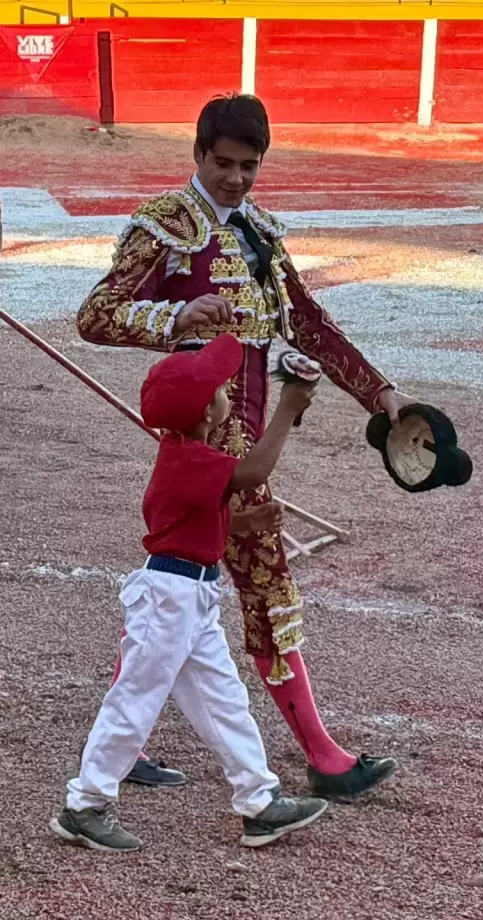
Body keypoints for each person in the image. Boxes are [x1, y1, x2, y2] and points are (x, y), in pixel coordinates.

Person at [76, 92, 409, 799]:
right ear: (198, 154)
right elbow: (95, 316)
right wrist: (174, 314)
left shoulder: (259, 230)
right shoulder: (168, 226)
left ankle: (121, 745)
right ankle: (322, 758)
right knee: (264, 587)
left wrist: (382, 396)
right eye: (222, 163)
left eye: (247, 166)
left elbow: (309, 325)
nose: (234, 178)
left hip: (244, 431)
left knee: (176, 587)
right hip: (208, 440)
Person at [49, 334, 329, 852]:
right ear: (207, 412)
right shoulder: (188, 458)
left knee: (224, 700)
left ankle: (259, 801)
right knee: (134, 701)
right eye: (222, 389)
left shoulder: (187, 453)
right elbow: (254, 472)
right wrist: (288, 408)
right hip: (169, 598)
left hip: (190, 597)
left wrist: (246, 518)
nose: (228, 391)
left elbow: (198, 524)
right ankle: (84, 804)